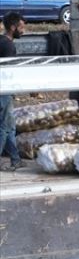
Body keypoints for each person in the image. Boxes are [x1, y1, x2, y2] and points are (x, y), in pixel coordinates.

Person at [0, 13, 26, 171]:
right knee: (4, 126)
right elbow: (10, 72)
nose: (23, 30)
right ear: (12, 27)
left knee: (9, 126)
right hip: (4, 90)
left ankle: (15, 159)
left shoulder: (1, 41)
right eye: (21, 27)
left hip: (3, 90)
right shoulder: (8, 46)